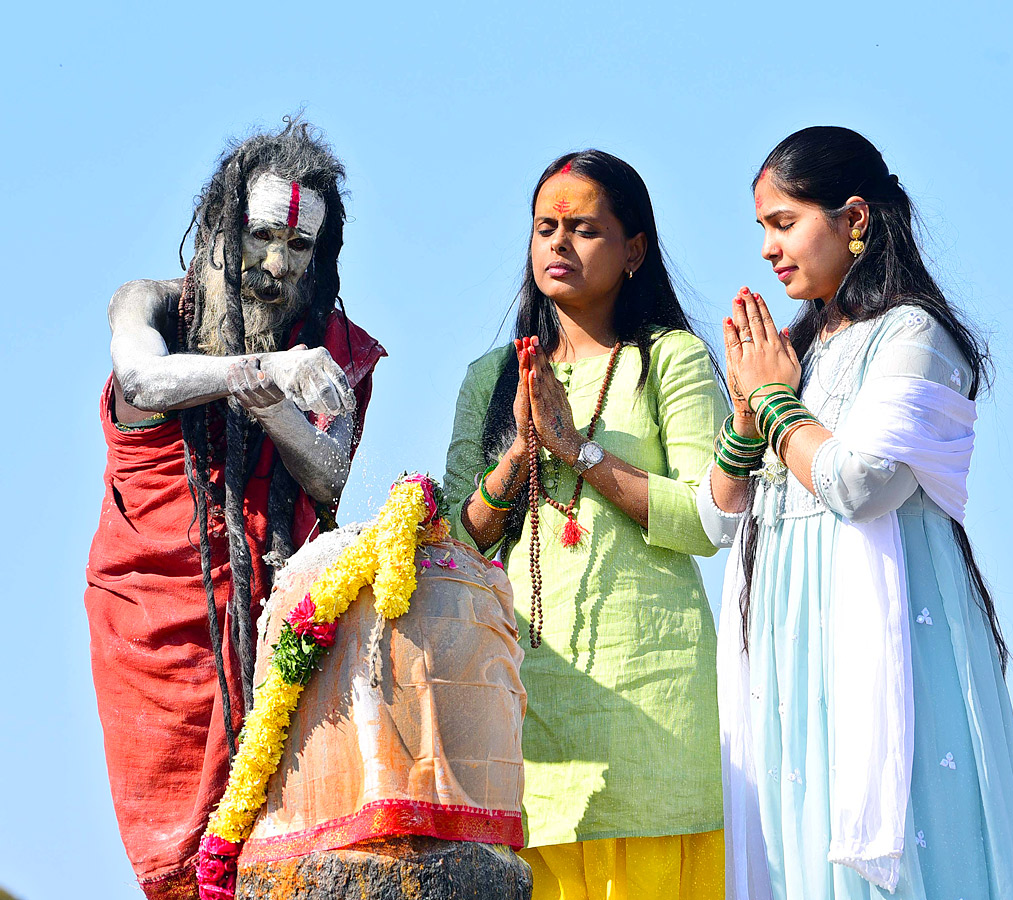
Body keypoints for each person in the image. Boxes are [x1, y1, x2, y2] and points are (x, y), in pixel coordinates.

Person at [701, 126, 1013, 900]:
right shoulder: (799, 351)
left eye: (784, 223)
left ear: (854, 218)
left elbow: (859, 482)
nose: (766, 249)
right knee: (797, 858)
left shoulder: (914, 335)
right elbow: (721, 522)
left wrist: (776, 400)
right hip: (786, 650)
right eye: (762, 230)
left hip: (884, 645)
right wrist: (750, 414)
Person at [84, 119, 385, 898]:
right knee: (181, 870)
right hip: (153, 626)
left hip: (275, 626)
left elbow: (327, 474)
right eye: (260, 237)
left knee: (282, 857)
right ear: (222, 229)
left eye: (299, 248)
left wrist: (278, 406)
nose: (277, 265)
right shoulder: (149, 304)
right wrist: (266, 368)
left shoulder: (334, 347)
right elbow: (143, 384)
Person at [443, 150, 727, 899]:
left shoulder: (670, 360)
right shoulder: (492, 376)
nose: (559, 244)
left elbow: (708, 520)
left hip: (653, 711)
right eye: (546, 228)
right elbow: (452, 543)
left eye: (584, 229)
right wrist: (519, 457)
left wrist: (580, 452)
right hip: (527, 709)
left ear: (634, 250)